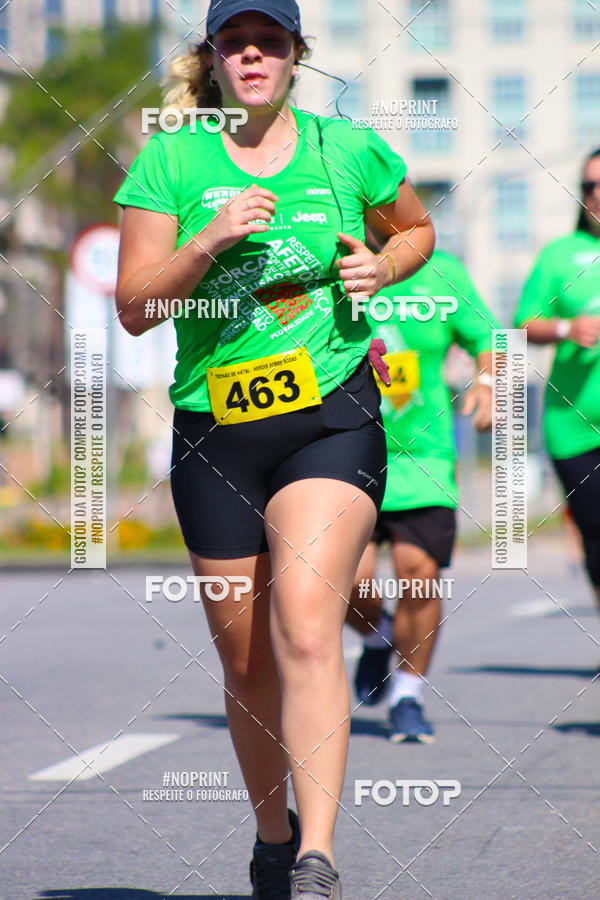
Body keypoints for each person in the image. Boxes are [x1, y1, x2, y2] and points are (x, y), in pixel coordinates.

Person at [112, 1, 435, 896]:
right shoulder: (172, 158)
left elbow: (414, 230)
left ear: (297, 55)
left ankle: (317, 856)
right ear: (211, 57)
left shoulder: (346, 149)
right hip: (215, 433)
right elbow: (135, 305)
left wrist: (386, 265)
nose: (253, 55)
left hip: (331, 418)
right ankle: (271, 832)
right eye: (235, 42)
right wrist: (208, 240)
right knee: (245, 657)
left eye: (271, 42)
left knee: (304, 620)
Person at [345, 249, 497, 742]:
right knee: (344, 581)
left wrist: (489, 382)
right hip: (340, 448)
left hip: (422, 455)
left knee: (419, 573)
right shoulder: (325, 259)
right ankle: (378, 635)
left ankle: (408, 693)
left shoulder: (444, 273)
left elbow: (490, 336)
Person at [514, 147, 600, 616]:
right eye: (590, 186)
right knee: (596, 533)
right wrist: (567, 328)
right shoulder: (559, 256)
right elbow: (522, 322)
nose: (598, 194)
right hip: (575, 427)